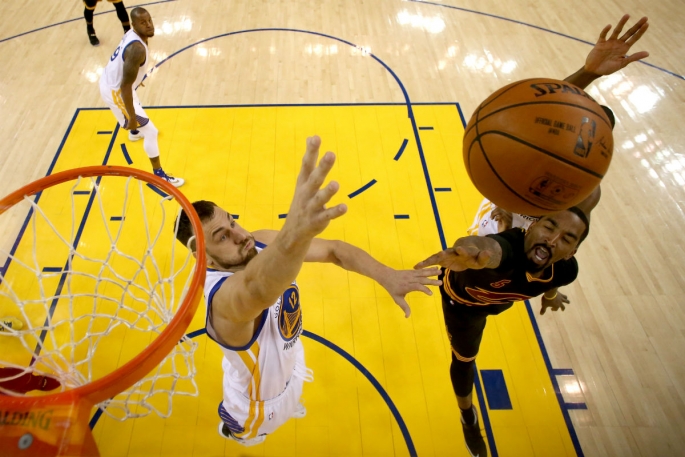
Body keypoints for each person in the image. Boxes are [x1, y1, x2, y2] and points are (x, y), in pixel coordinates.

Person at [435, 14, 649, 457]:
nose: (579, 139)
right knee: (465, 359)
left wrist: (548, 291)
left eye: (591, 135)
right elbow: (536, 115)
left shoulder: (583, 195)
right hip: (471, 291)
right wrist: (587, 74)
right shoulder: (535, 166)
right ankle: (467, 414)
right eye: (578, 127)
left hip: (516, 282)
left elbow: (555, 255)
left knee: (538, 269)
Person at [174, 136, 441, 446]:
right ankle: (234, 429)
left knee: (292, 370)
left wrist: (387, 275)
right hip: (257, 405)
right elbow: (258, 289)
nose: (240, 234)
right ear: (202, 255)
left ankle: (289, 396)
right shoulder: (223, 302)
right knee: (245, 435)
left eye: (233, 221)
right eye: (222, 237)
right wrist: (295, 232)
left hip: (290, 359)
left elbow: (335, 251)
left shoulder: (258, 240)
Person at [99, 7, 184, 187]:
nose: (149, 25)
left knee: (136, 112)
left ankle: (135, 132)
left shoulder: (133, 34)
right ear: (134, 25)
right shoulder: (137, 49)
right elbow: (125, 87)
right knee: (151, 131)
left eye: (149, 20)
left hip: (114, 82)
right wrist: (130, 117)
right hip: (117, 92)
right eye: (143, 23)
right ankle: (159, 175)